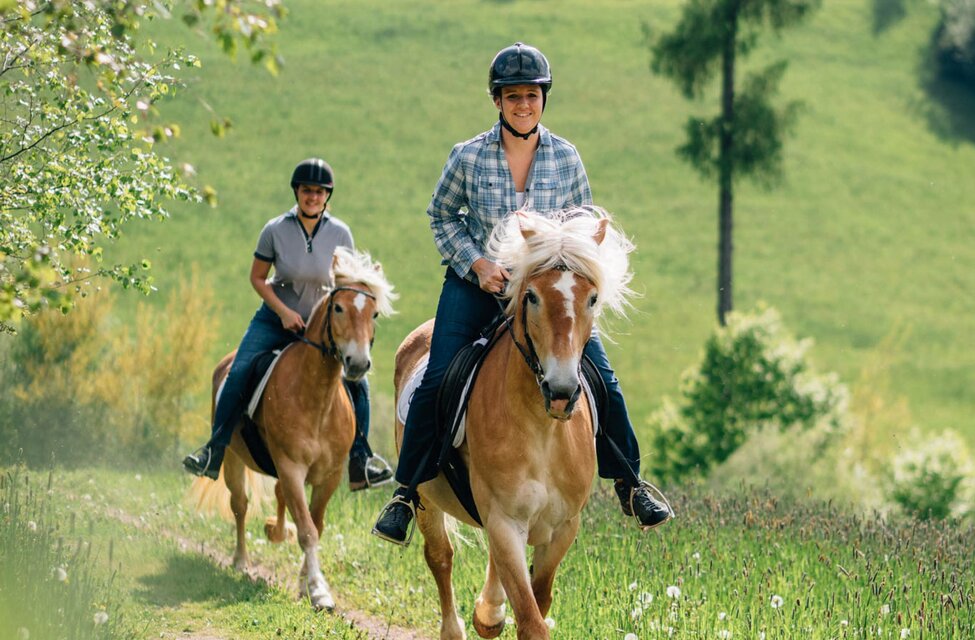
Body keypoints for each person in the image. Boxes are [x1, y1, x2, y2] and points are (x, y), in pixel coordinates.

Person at [372, 43, 671, 546]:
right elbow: (441, 216)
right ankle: (406, 493)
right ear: (497, 101)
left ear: (543, 99)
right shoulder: (467, 156)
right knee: (439, 375)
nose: (523, 105)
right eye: (513, 97)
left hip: (548, 299)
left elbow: (580, 226)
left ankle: (630, 483)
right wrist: (477, 263)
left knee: (604, 380)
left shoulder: (566, 157)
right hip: (479, 289)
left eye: (531, 96)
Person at [182, 158, 393, 491]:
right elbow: (257, 277)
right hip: (277, 317)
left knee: (359, 383)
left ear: (327, 196)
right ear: (297, 192)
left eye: (319, 192)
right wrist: (282, 311)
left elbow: (347, 285)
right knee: (239, 370)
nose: (312, 197)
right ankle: (215, 449)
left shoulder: (341, 233)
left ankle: (361, 459)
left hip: (324, 324)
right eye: (307, 190)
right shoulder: (275, 229)